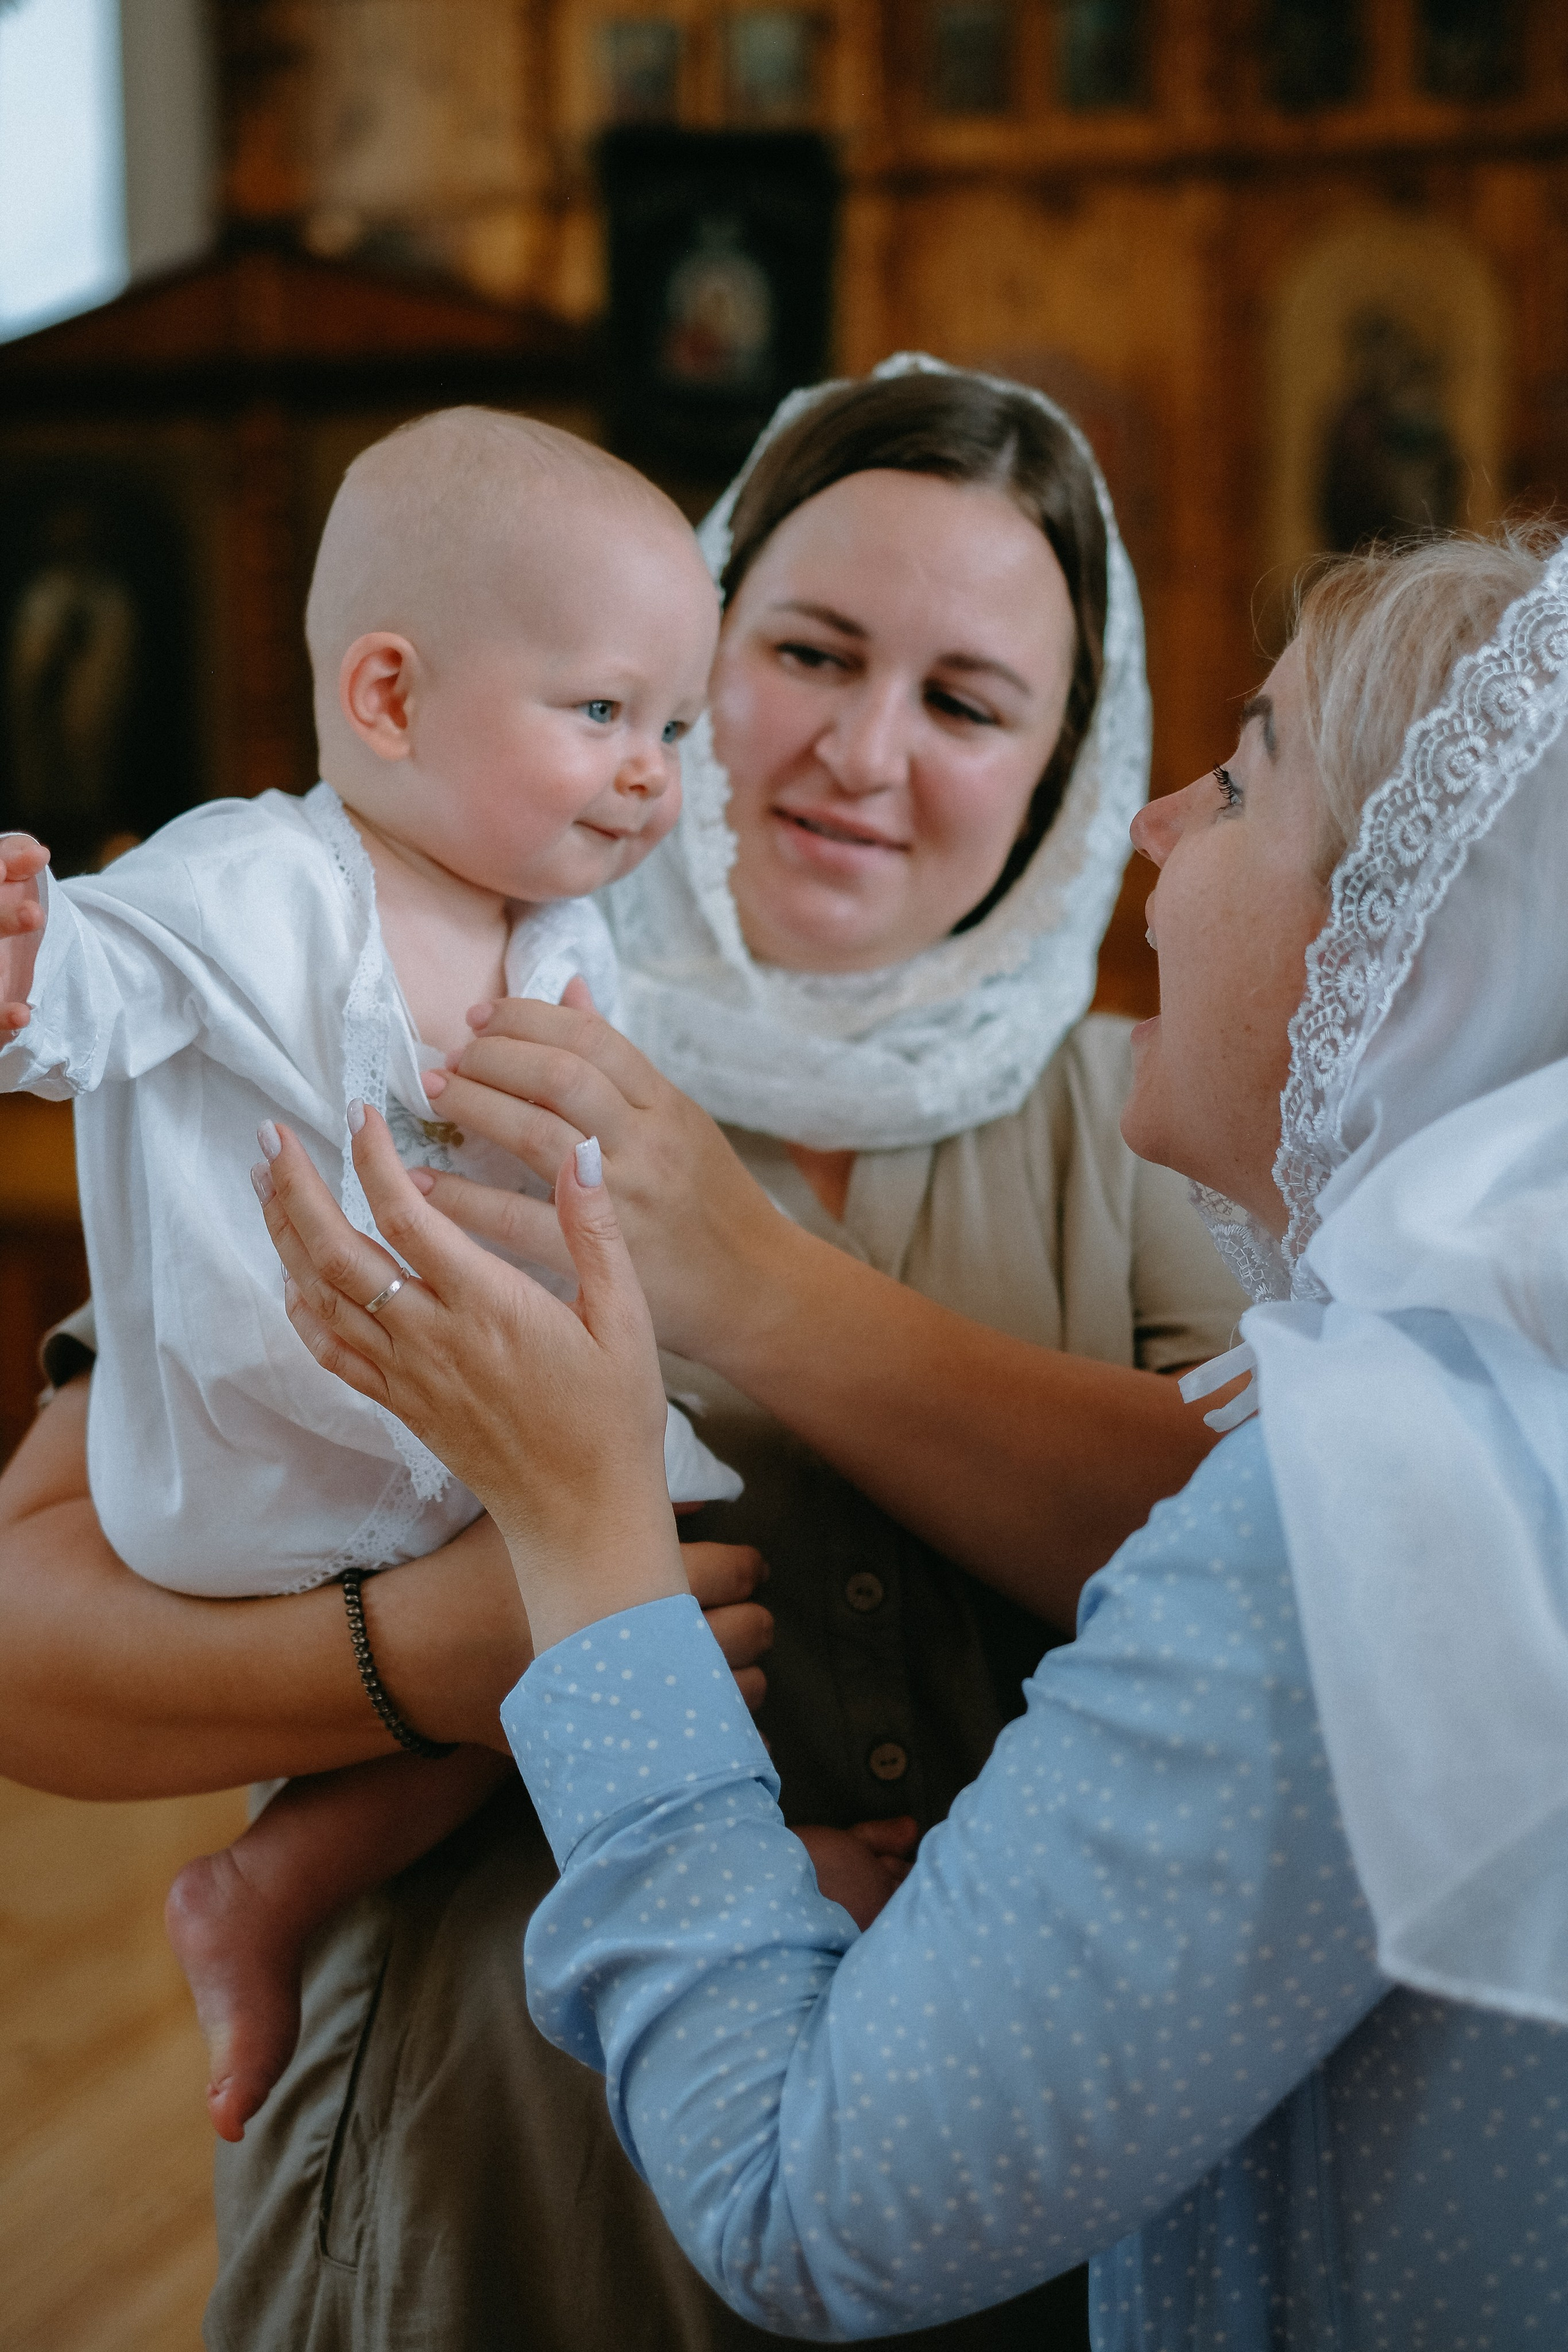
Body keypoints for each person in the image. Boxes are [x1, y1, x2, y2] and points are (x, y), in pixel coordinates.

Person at [0, 362, 1240, 2352]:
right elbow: (29, 1641)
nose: (856, 748)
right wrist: (441, 1654)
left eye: (967, 700)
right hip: (461, 2185)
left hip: (983, 2226)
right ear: (681, 645)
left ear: (1065, 770)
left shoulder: (1168, 1117)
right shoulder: (418, 1015)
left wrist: (746, 1276)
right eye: (805, 654)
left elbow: (1270, 1554)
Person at [261, 520, 1568, 2348]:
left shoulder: (1355, 1453)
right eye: (803, 654)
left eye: (1241, 779)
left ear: (1417, 934)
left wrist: (586, 1525)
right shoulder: (408, 994)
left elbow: (807, 2202)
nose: (1164, 826)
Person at [0, 405, 742, 2144]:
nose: (653, 769)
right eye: (602, 711)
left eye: (676, 727)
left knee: (652, 1567)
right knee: (617, 1594)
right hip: (255, 1466)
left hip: (446, 1467)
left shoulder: (564, 935)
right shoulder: (262, 879)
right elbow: (118, 969)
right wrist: (37, 966)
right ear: (392, 701)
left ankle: (267, 1886)